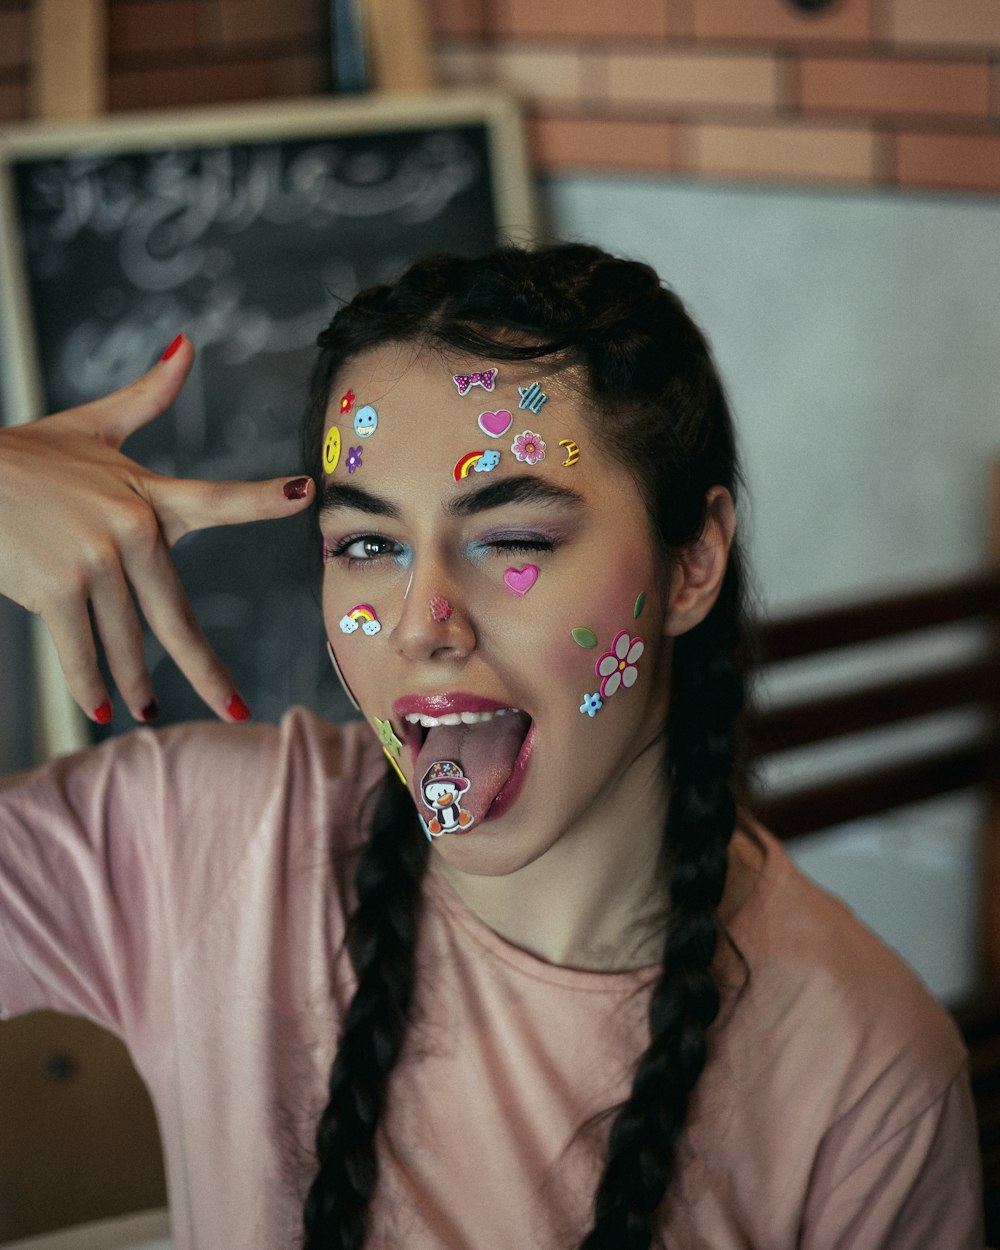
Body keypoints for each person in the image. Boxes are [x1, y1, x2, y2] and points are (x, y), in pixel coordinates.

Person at [0, 244, 982, 1249]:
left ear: (692, 563)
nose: (423, 621)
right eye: (369, 545)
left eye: (512, 538)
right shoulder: (195, 843)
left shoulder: (865, 1081)